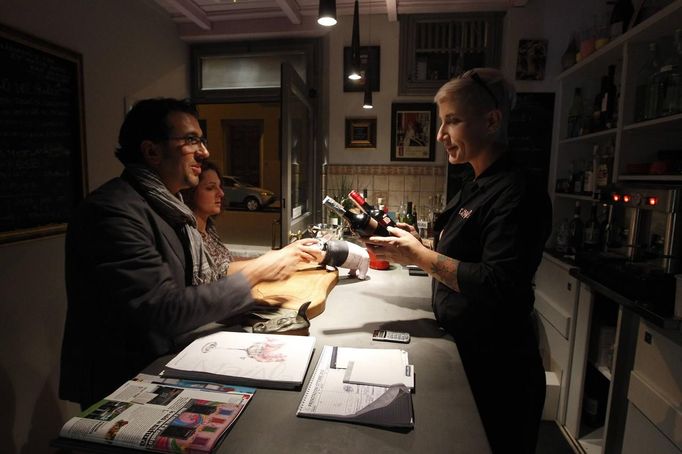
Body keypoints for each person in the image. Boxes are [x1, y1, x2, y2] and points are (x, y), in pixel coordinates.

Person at [60, 98, 323, 408]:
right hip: (125, 384)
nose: (205, 152)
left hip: (167, 366)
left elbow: (197, 284)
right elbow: (164, 311)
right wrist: (259, 270)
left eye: (202, 140)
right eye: (191, 140)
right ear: (151, 151)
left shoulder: (169, 208)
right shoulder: (113, 211)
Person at [366, 68, 551, 453]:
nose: (439, 136)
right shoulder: (476, 183)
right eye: (441, 122)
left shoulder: (517, 191)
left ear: (492, 120)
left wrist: (420, 254)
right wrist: (406, 246)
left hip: (499, 373)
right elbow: (458, 255)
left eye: (452, 121)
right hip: (465, 354)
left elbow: (498, 282)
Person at [181, 159, 371, 280]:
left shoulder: (208, 227)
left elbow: (228, 261)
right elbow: (220, 274)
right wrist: (278, 258)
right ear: (189, 193)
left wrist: (280, 255)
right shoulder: (189, 235)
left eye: (220, 186)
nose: (221, 193)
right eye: (210, 188)